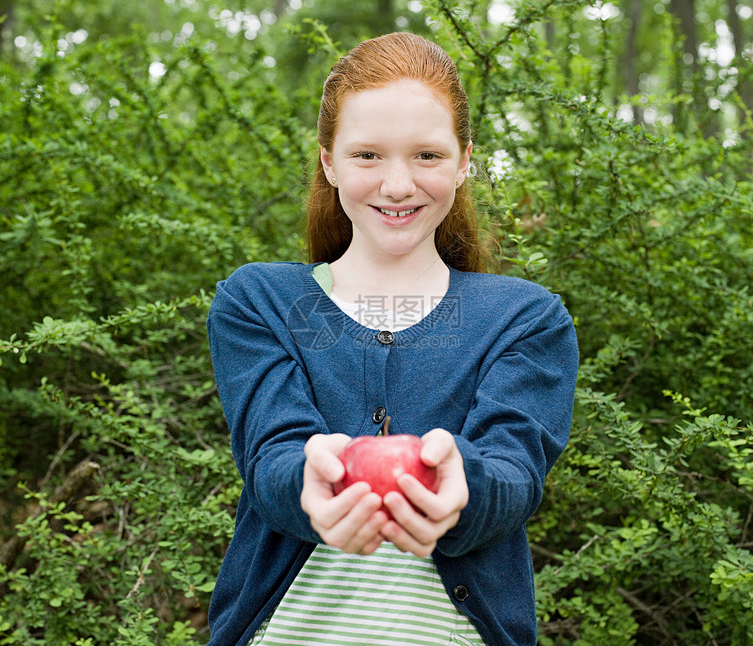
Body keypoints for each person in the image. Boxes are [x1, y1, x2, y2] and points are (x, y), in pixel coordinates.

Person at [206, 31, 579, 646]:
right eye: (367, 155)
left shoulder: (525, 319)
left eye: (428, 156)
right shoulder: (260, 302)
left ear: (464, 162)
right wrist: (308, 481)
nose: (399, 184)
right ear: (328, 161)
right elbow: (270, 457)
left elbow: (515, 472)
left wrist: (466, 487)